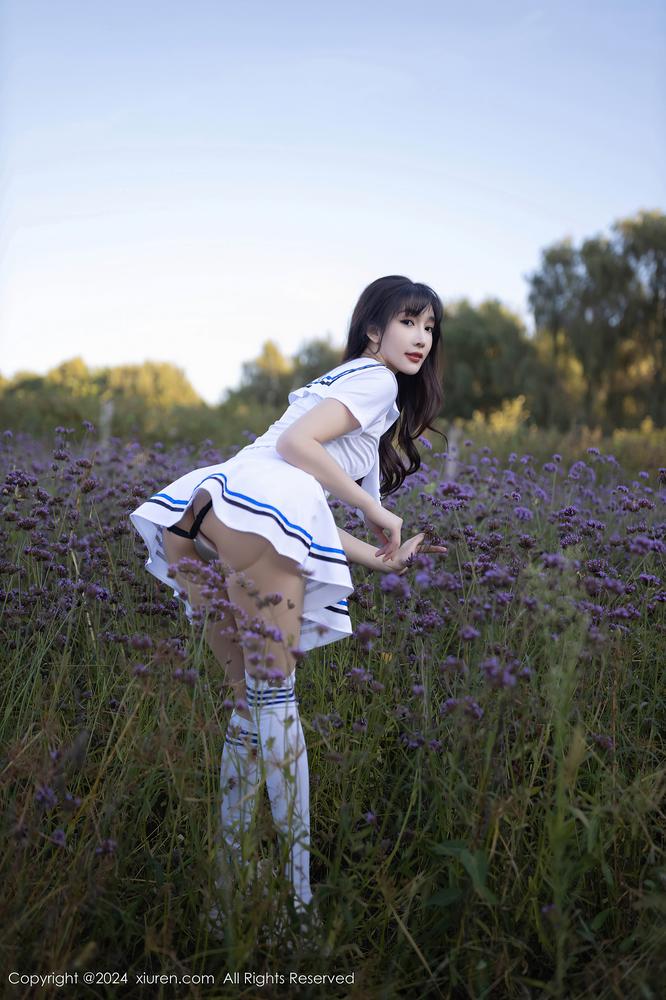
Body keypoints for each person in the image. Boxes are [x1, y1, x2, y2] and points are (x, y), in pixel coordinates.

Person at [128, 274, 448, 933]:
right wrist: (376, 510)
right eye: (408, 322)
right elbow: (291, 450)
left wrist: (382, 555)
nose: (421, 337)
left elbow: (299, 508)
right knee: (277, 705)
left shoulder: (342, 385)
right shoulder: (376, 381)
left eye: (429, 327)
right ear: (373, 330)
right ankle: (297, 912)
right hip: (252, 515)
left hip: (199, 516)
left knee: (251, 710)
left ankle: (228, 902)